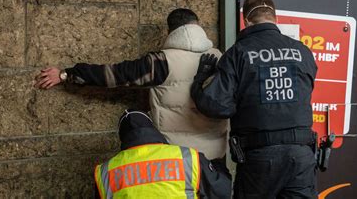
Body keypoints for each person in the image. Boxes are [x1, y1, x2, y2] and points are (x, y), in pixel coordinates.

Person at [34, 8, 228, 160]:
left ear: (170, 31)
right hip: (217, 154)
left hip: (179, 159)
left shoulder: (161, 62)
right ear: (198, 27)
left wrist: (65, 74)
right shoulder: (222, 58)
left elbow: (114, 75)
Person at [191, 0, 318, 198]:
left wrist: (198, 83)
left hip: (261, 158)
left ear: (246, 21)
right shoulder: (302, 51)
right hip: (301, 155)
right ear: (275, 18)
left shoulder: (238, 53)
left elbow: (216, 106)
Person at [94, 110, 231, 198]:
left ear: (123, 137)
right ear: (152, 128)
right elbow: (222, 190)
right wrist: (219, 166)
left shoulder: (105, 172)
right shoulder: (187, 157)